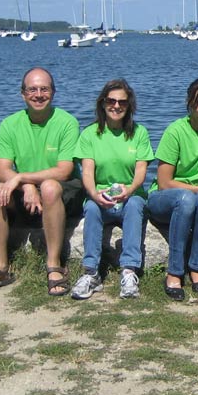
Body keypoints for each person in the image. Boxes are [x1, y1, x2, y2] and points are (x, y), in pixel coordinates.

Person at [0, 67, 81, 297]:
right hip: (24, 190)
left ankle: (54, 265)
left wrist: (22, 177)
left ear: (53, 92)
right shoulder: (10, 124)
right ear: (23, 94)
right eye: (32, 89)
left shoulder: (67, 122)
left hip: (61, 190)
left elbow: (64, 171)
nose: (38, 95)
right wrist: (27, 186)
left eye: (44, 89)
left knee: (49, 187)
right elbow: (2, 170)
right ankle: (0, 268)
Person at [71, 79, 154, 301]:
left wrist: (130, 189)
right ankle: (91, 272)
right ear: (103, 103)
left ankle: (129, 271)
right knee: (91, 208)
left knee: (135, 205)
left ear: (129, 106)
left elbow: (141, 171)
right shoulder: (90, 134)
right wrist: (94, 194)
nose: (116, 106)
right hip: (101, 195)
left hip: (130, 196)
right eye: (111, 101)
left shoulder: (139, 133)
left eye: (122, 102)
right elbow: (87, 172)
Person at [147, 78, 198, 301]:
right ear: (190, 103)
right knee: (187, 199)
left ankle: (196, 267)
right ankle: (174, 272)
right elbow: (164, 182)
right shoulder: (175, 131)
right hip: (164, 198)